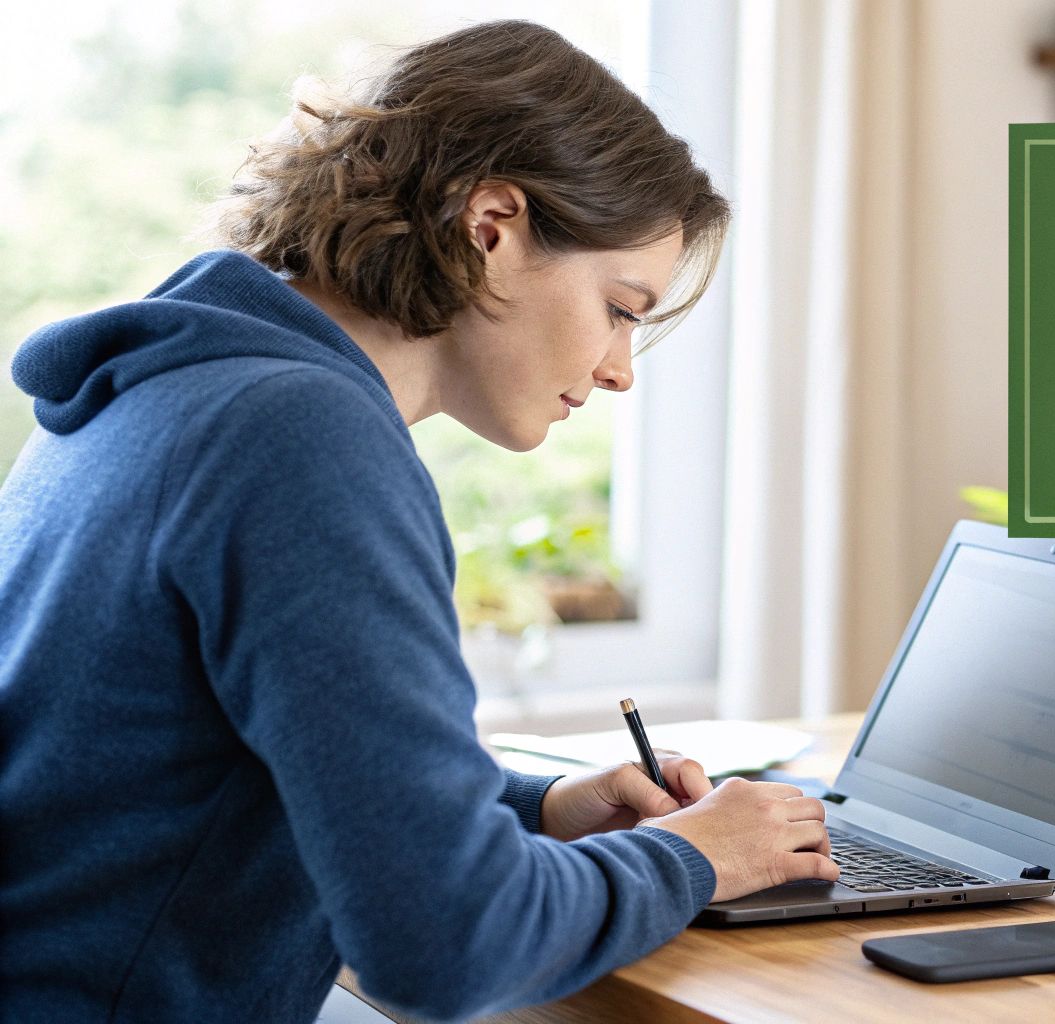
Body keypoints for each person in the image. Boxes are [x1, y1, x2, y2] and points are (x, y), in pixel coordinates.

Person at [0, 20, 838, 1023]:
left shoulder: (172, 388)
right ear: (491, 225)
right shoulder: (300, 441)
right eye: (620, 306)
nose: (620, 368)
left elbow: (247, 756)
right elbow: (450, 946)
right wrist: (694, 856)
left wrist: (535, 810)